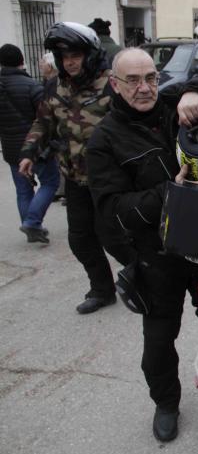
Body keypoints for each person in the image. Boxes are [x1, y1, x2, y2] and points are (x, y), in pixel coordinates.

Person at [86, 47, 198, 442]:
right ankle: (166, 403)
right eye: (134, 81)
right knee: (159, 341)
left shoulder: (175, 102)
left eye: (151, 78)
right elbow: (111, 212)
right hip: (156, 254)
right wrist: (170, 192)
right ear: (115, 84)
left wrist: (194, 89)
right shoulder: (103, 140)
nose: (145, 89)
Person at [18, 22, 135, 314]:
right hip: (74, 177)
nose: (69, 61)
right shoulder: (55, 87)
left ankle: (148, 278)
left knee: (113, 238)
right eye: (64, 56)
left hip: (110, 178)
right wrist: (29, 152)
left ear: (90, 54)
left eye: (76, 55)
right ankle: (102, 290)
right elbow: (42, 122)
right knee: (80, 239)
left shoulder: (113, 84)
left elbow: (135, 124)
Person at [0, 44, 58, 244]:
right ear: (21, 61)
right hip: (35, 146)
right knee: (50, 181)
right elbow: (44, 118)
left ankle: (30, 224)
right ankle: (32, 222)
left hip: (10, 147)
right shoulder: (32, 86)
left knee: (23, 189)